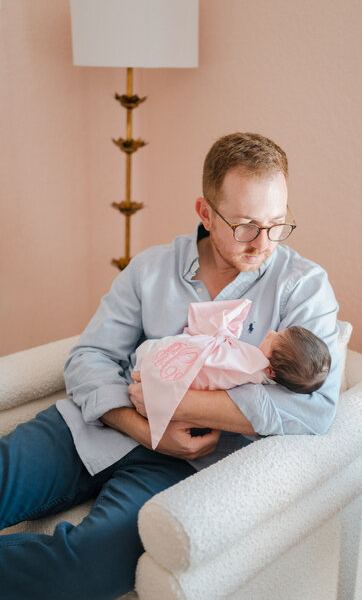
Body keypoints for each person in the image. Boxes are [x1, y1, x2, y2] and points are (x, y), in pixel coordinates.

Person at [0, 132, 341, 600]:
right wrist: (139, 424)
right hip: (92, 425)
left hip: (184, 466)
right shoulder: (151, 269)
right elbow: (90, 357)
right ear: (204, 213)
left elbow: (314, 409)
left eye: (277, 224)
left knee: (81, 573)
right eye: (244, 225)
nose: (263, 243)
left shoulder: (303, 288)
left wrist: (183, 408)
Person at [131, 298, 332, 449]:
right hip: (164, 391)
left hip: (170, 377)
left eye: (274, 339)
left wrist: (222, 333)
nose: (270, 333)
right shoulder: (264, 375)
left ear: (270, 369)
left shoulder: (252, 364)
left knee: (152, 351)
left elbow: (217, 360)